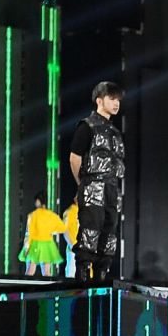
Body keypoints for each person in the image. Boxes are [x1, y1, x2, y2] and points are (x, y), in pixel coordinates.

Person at [67, 82, 127, 281]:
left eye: (118, 99)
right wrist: (82, 184)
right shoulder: (87, 126)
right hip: (92, 186)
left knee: (109, 234)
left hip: (112, 189)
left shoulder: (115, 132)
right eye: (112, 98)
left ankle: (101, 275)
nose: (116, 103)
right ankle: (83, 278)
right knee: (90, 231)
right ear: (99, 101)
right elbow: (74, 158)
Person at [19, 195, 71, 277]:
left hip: (35, 244)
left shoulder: (33, 215)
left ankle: (26, 286)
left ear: (38, 201)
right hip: (47, 245)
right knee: (46, 272)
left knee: (30, 271)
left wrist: (26, 248)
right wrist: (50, 231)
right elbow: (63, 228)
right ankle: (48, 286)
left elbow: (29, 233)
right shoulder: (52, 215)